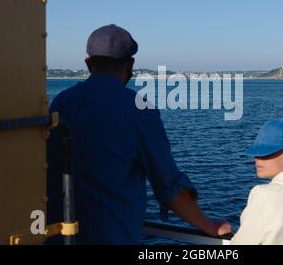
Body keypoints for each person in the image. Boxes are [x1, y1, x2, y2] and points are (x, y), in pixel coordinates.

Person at [46, 24, 231, 244]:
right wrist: (209, 225)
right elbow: (169, 186)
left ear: (88, 63)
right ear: (130, 64)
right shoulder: (138, 109)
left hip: (58, 238)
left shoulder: (60, 103)